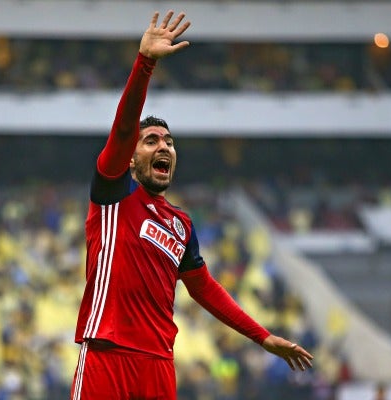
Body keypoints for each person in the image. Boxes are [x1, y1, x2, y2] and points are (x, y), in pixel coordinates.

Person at [71, 10, 314, 400]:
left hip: (159, 366)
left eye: (168, 141)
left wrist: (263, 337)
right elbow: (122, 129)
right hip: (108, 353)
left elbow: (206, 290)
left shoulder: (181, 224)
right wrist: (145, 63)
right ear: (130, 159)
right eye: (150, 140)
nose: (163, 145)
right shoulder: (113, 192)